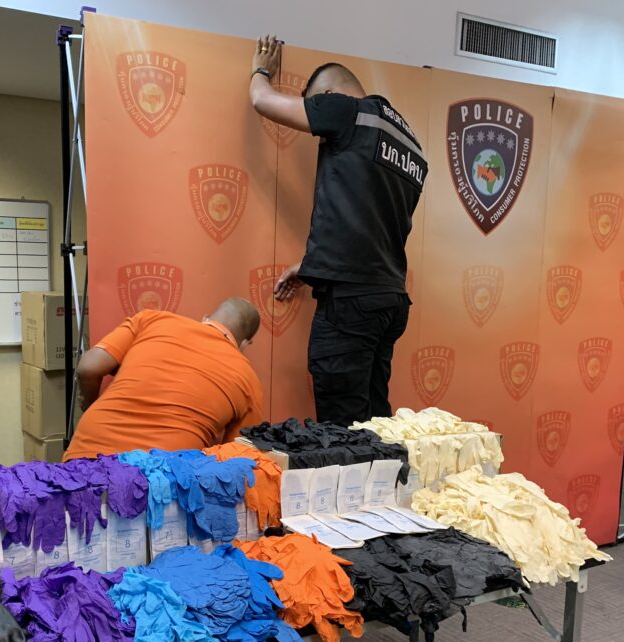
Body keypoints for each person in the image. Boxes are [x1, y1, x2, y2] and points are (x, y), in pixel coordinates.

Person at [248, 35, 427, 425]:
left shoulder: (348, 111)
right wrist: (311, 265)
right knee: (375, 424)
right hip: (388, 299)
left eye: (316, 104)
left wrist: (261, 70)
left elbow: (262, 101)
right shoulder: (410, 143)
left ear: (328, 95)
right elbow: (370, 222)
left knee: (343, 433)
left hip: (351, 305)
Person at [62, 298, 264, 461]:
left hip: (90, 451)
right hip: (162, 475)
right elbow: (236, 458)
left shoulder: (152, 319)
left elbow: (88, 368)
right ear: (246, 343)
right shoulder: (249, 380)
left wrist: (89, 405)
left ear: (205, 318)